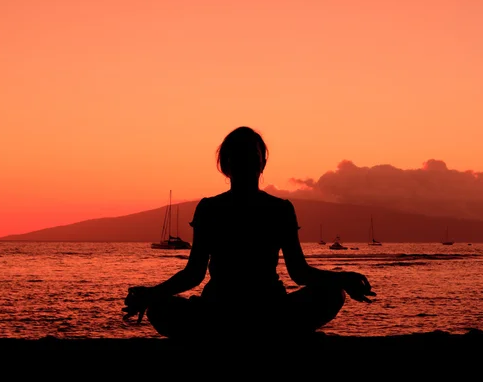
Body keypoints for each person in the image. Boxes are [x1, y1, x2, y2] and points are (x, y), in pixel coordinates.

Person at [122, 126, 375, 344]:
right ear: (226, 165)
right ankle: (276, 335)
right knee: (159, 305)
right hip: (221, 311)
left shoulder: (279, 209)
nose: (246, 164)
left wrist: (342, 279)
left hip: (267, 310)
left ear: (262, 163)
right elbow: (194, 273)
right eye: (238, 157)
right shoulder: (210, 208)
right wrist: (152, 294)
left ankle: (227, 336)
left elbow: (299, 272)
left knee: (333, 294)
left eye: (251, 157)